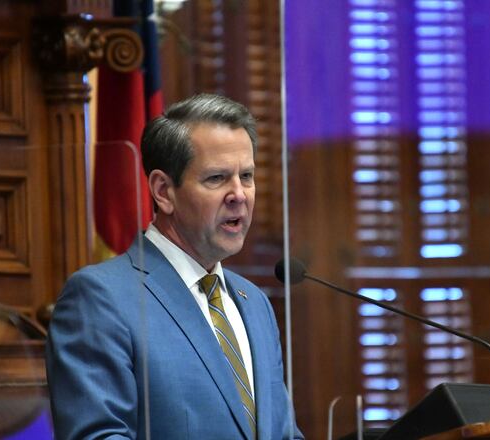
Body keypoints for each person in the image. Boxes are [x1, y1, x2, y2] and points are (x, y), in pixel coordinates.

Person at [46, 94, 304, 440]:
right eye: (217, 178)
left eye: (246, 176)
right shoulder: (101, 299)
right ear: (163, 191)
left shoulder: (254, 303)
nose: (239, 194)